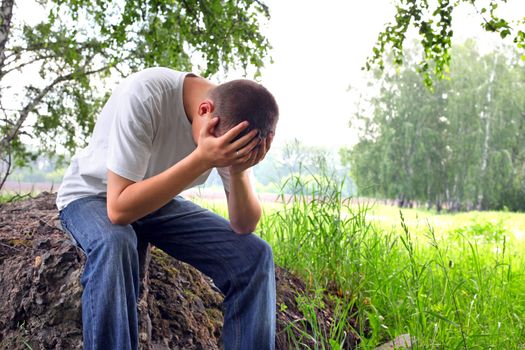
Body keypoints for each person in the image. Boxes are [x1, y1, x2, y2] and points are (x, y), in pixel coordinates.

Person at [56, 67, 279, 350]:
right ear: (204, 109)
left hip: (156, 203)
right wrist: (203, 158)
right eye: (224, 153)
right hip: (93, 195)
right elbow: (118, 210)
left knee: (255, 255)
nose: (221, 158)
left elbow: (244, 225)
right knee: (116, 242)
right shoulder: (146, 95)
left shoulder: (230, 121)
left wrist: (237, 170)